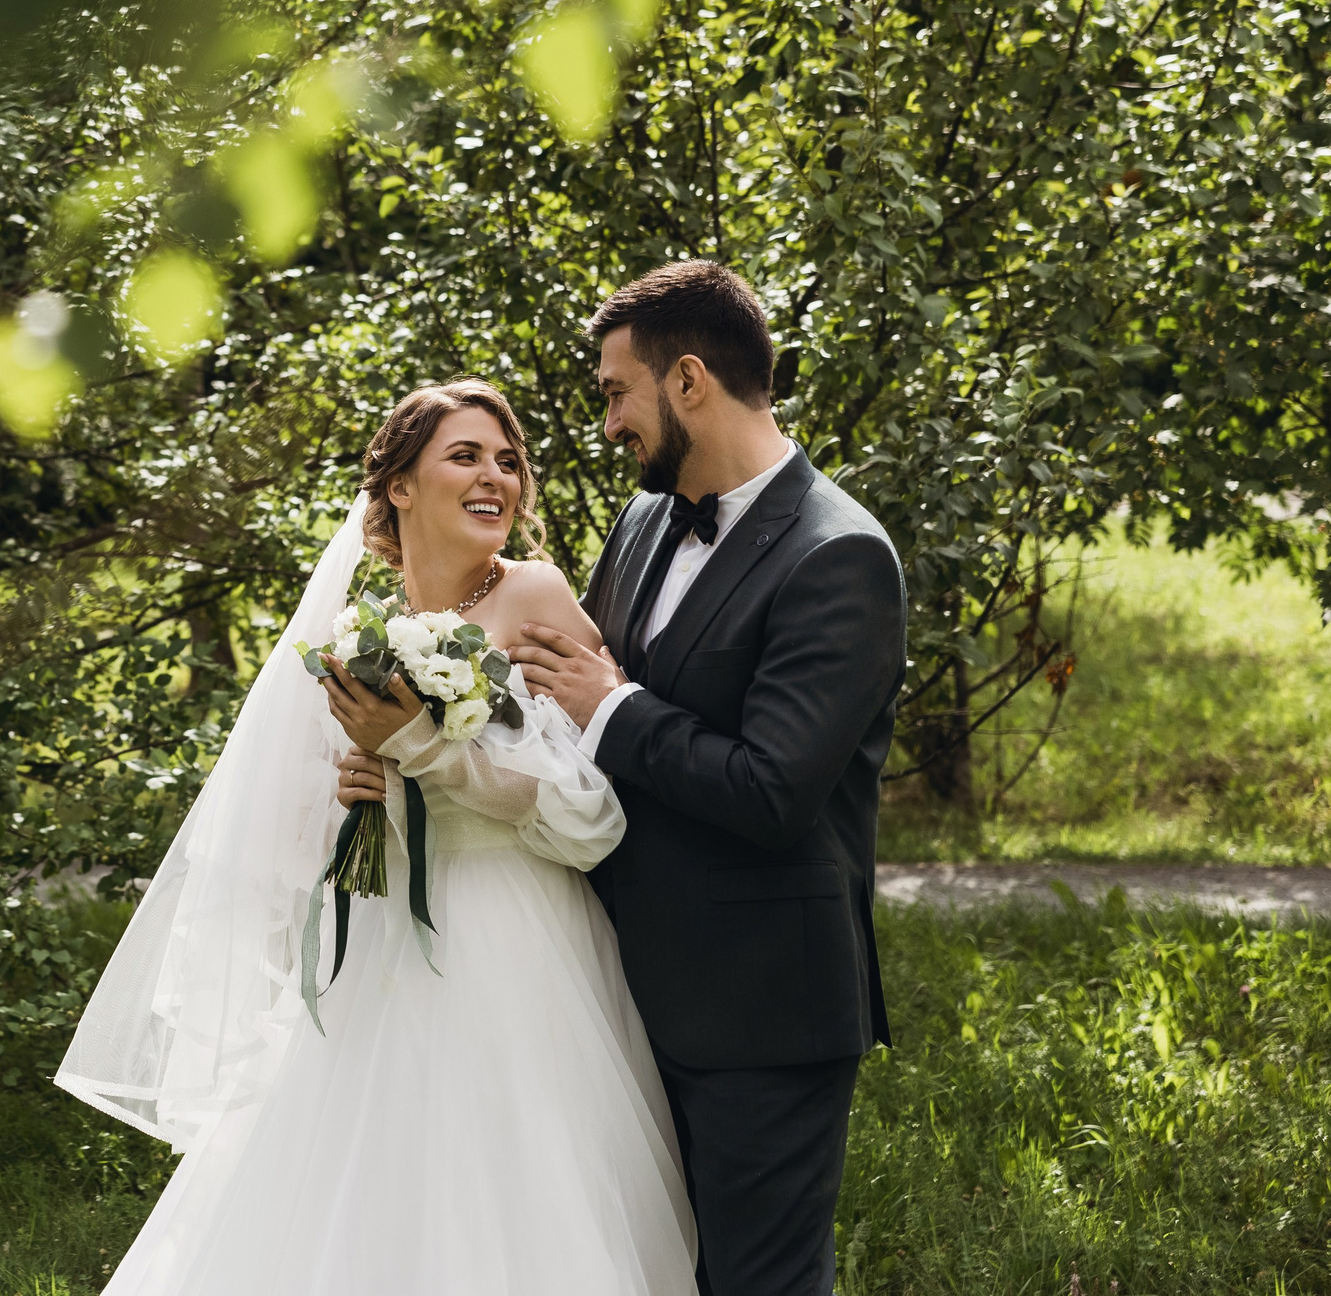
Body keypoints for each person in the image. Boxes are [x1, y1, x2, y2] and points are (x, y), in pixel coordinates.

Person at [57, 379, 697, 1296]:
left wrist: (429, 755)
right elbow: (291, 832)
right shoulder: (360, 630)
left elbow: (598, 806)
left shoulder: (535, 594)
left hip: (518, 941)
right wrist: (357, 798)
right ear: (398, 485)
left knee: (516, 1198)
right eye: (466, 455)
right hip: (382, 947)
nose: (496, 478)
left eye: (508, 461)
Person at [512, 260, 907, 1296]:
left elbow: (774, 791)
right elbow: (566, 702)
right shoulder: (646, 519)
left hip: (758, 1011)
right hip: (619, 987)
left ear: (687, 381)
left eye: (614, 393)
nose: (607, 425)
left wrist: (614, 706)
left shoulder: (840, 555)